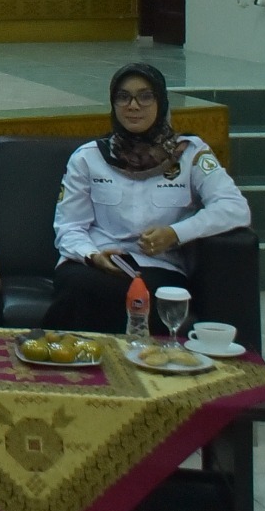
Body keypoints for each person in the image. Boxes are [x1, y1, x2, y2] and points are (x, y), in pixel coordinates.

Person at [43, 63, 251, 334]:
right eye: (123, 97)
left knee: (145, 294)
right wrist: (92, 256)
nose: (133, 106)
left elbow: (235, 208)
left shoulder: (190, 154)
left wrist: (175, 233)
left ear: (161, 101)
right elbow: (69, 227)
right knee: (80, 286)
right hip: (94, 264)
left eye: (145, 96)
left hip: (158, 266)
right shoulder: (89, 157)